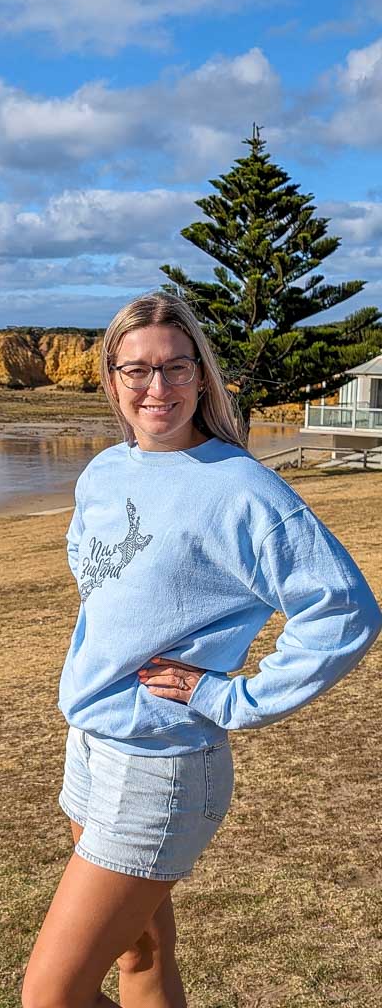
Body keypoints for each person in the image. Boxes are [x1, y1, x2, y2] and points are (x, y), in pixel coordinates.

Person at [21, 292, 381, 1008]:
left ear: (202, 376)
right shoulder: (105, 471)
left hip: (161, 764)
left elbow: (344, 612)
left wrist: (228, 695)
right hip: (90, 743)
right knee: (141, 955)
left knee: (50, 995)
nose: (157, 388)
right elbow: (97, 569)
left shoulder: (244, 491)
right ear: (112, 378)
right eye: (138, 371)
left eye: (176, 368)